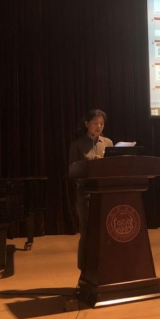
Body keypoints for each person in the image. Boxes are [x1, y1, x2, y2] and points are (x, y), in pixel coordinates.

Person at [68, 109, 114, 270]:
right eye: (95, 123)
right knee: (87, 232)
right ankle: (84, 269)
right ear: (87, 124)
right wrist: (90, 166)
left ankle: (105, 266)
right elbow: (72, 171)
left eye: (101, 124)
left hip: (105, 193)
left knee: (105, 231)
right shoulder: (77, 144)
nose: (99, 126)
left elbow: (113, 168)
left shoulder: (108, 143)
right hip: (86, 194)